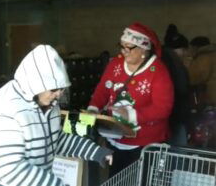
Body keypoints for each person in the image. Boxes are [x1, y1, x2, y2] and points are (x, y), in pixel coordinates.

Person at [0, 45, 113, 186]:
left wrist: (95, 152)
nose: (59, 94)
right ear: (35, 84)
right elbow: (15, 172)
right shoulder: (5, 110)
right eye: (54, 89)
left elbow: (56, 139)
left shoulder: (49, 104)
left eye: (61, 89)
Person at [87, 22, 174, 177]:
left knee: (141, 179)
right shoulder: (115, 64)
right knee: (117, 178)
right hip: (116, 138)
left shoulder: (158, 71)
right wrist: (93, 108)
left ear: (143, 50)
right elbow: (103, 89)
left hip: (145, 143)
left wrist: (132, 115)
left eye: (129, 47)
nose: (124, 51)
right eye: (122, 46)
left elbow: (163, 108)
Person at [162, 29, 191, 146]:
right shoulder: (175, 62)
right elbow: (182, 88)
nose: (184, 53)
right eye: (183, 49)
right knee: (177, 151)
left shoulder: (160, 58)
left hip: (166, 118)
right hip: (175, 115)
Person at [188, 36, 216, 106]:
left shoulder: (203, 58)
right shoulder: (213, 54)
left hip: (212, 99)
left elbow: (193, 78)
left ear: (195, 47)